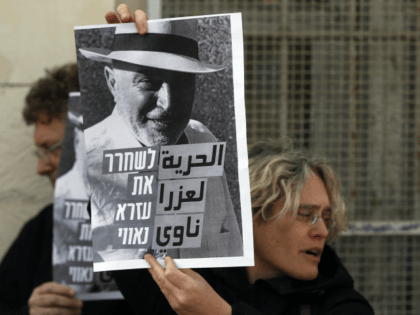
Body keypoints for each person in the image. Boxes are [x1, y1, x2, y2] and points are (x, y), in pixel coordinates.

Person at [111, 137, 374, 314]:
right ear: (252, 209)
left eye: (326, 217)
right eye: (306, 214)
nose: (323, 231)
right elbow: (116, 216)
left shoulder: (339, 302)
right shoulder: (196, 280)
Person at [80, 6, 243, 262]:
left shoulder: (203, 140)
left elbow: (232, 253)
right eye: (148, 81)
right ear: (113, 83)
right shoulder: (83, 161)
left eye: (182, 82)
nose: (167, 103)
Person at [0, 64, 134, 314]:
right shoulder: (41, 230)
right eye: (40, 152)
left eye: (51, 148)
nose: (41, 167)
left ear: (86, 136)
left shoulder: (166, 220)